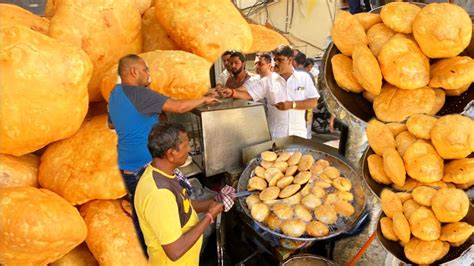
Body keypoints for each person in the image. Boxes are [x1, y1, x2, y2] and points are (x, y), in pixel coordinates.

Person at [108, 54, 218, 199]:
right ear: (134, 72)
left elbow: (111, 124)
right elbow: (179, 107)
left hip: (128, 166)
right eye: (145, 70)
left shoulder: (115, 93)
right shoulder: (139, 93)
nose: (148, 74)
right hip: (144, 167)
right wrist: (205, 99)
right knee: (162, 209)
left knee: (145, 208)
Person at [135, 122, 224, 265]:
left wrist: (210, 204)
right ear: (171, 153)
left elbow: (183, 205)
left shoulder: (164, 173)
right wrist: (209, 216)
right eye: (186, 145)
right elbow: (175, 251)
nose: (189, 149)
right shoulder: (159, 194)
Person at [218, 45, 319, 139]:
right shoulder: (268, 80)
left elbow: (313, 102)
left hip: (299, 134)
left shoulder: (303, 78)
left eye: (280, 60)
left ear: (290, 60)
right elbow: (249, 94)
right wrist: (232, 92)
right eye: (275, 60)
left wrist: (292, 105)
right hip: (276, 136)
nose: (276, 63)